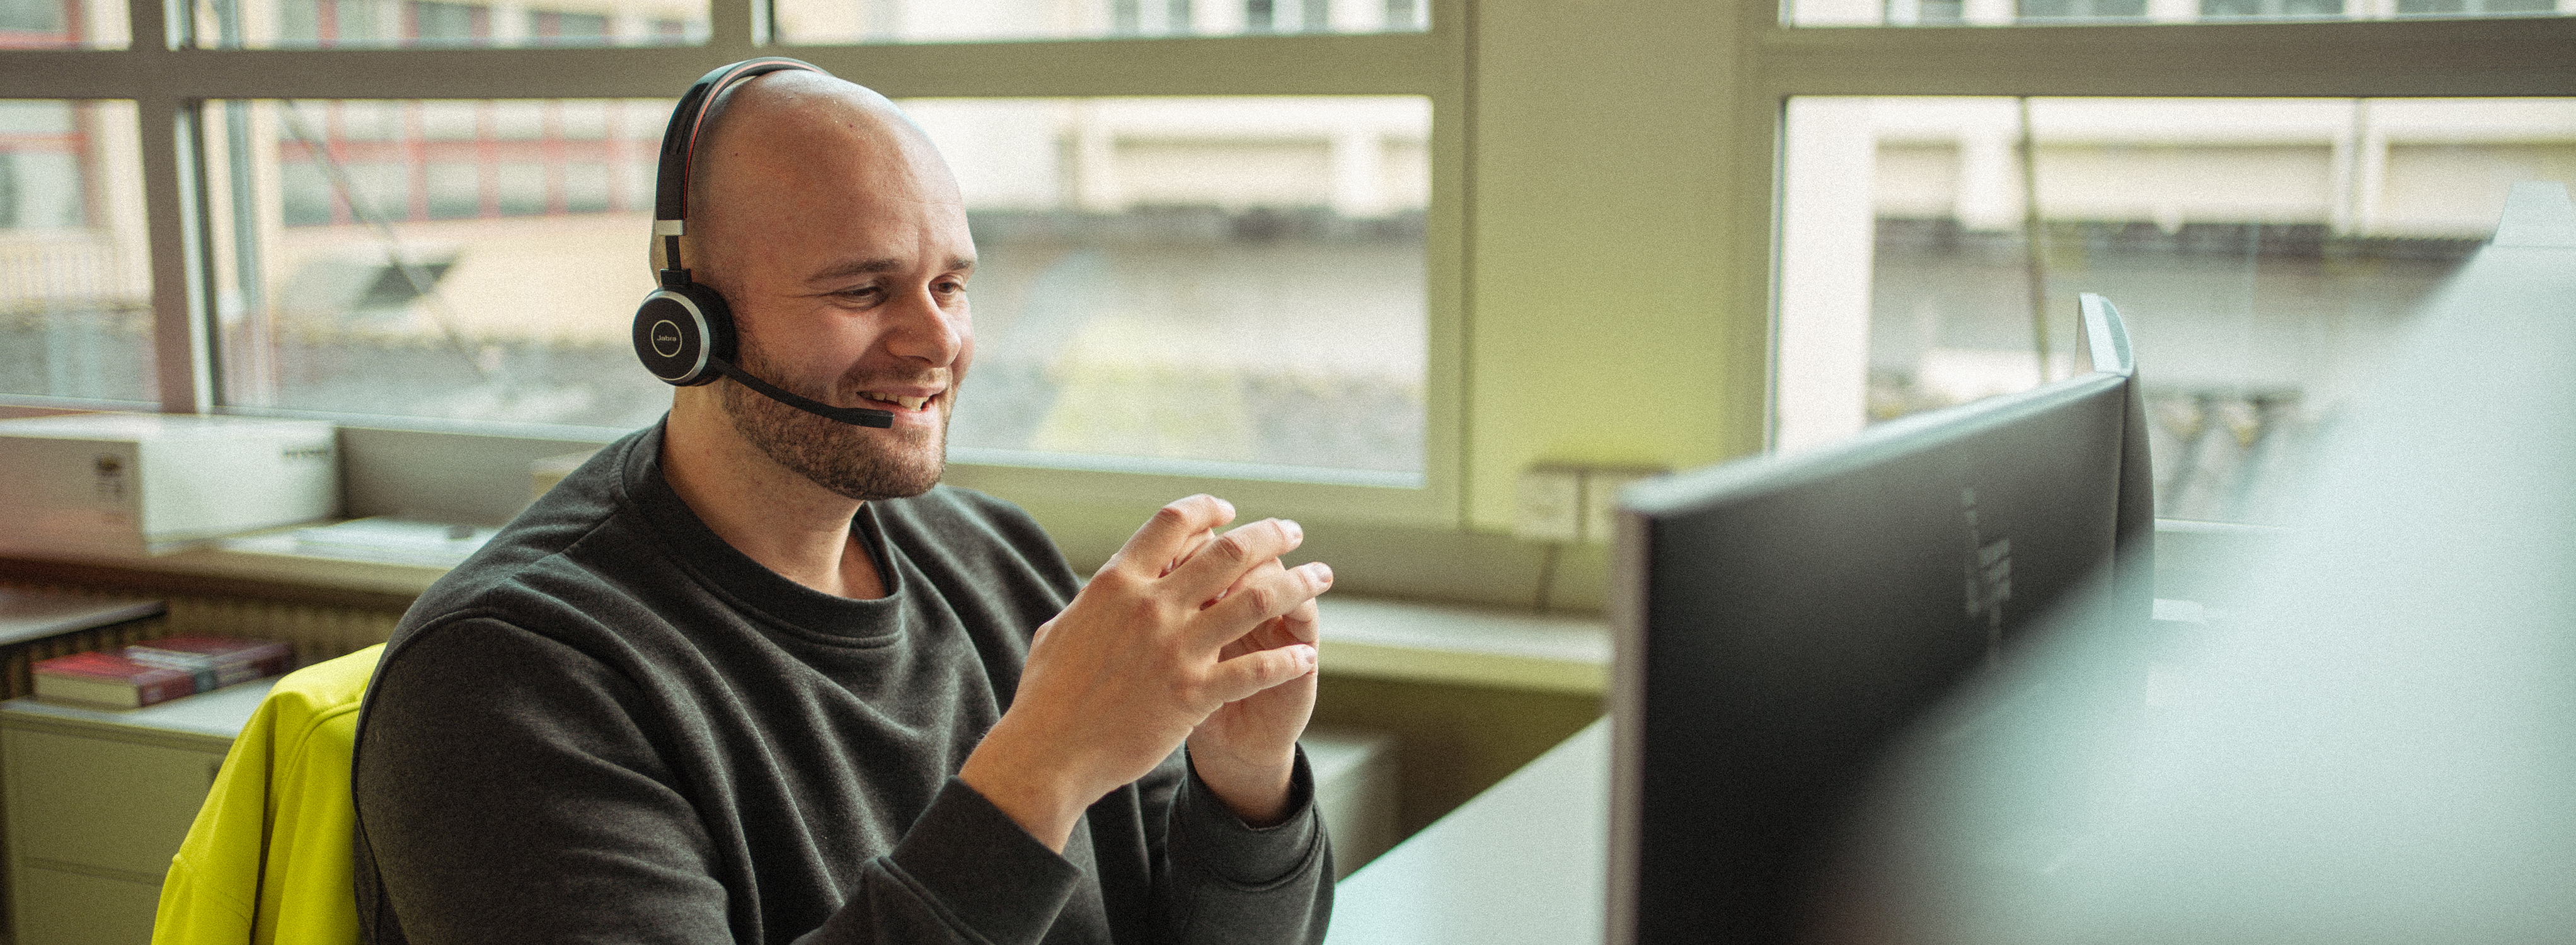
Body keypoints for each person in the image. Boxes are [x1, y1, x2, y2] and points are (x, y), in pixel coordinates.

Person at [350, 67, 1338, 945]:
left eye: (950, 285)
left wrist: (1245, 783)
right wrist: (1042, 769)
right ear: (688, 326)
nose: (938, 341)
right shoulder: (508, 677)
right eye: (865, 291)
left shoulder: (998, 561)